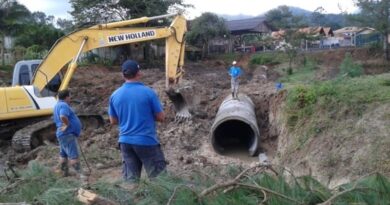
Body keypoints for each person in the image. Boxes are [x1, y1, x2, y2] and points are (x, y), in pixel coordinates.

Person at [108, 60, 166, 182]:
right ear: (139, 73)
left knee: (131, 181)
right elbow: (161, 117)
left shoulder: (115, 95)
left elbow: (113, 121)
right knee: (160, 180)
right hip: (146, 141)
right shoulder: (148, 92)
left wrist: (128, 118)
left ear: (122, 75)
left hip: (125, 142)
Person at [53, 89, 84, 179]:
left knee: (63, 154)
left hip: (62, 134)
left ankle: (65, 173)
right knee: (73, 156)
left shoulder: (57, 105)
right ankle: (81, 175)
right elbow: (63, 116)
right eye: (70, 96)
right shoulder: (64, 105)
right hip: (67, 134)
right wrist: (67, 124)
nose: (70, 98)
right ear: (66, 97)